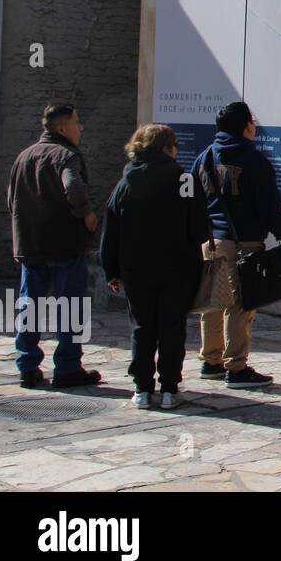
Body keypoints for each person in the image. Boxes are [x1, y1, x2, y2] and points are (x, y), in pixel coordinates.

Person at [100, 124, 210, 409]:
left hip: (137, 269)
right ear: (167, 148)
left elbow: (110, 230)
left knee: (142, 327)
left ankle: (141, 389)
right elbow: (199, 229)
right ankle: (170, 389)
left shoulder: (126, 182)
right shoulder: (183, 180)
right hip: (178, 268)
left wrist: (111, 269)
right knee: (172, 327)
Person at [191, 101, 281, 388]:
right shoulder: (254, 160)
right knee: (241, 304)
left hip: (211, 240)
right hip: (243, 242)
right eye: (252, 121)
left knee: (212, 302)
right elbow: (270, 206)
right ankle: (236, 367)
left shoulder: (204, 158)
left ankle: (210, 360)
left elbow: (193, 201)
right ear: (246, 126)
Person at [7, 103, 102, 388]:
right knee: (70, 307)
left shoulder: (24, 156)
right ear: (63, 127)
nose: (80, 127)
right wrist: (87, 215)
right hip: (64, 244)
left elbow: (11, 201)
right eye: (76, 122)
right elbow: (73, 187)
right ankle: (68, 368)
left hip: (31, 245)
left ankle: (27, 366)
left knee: (30, 306)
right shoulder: (66, 155)